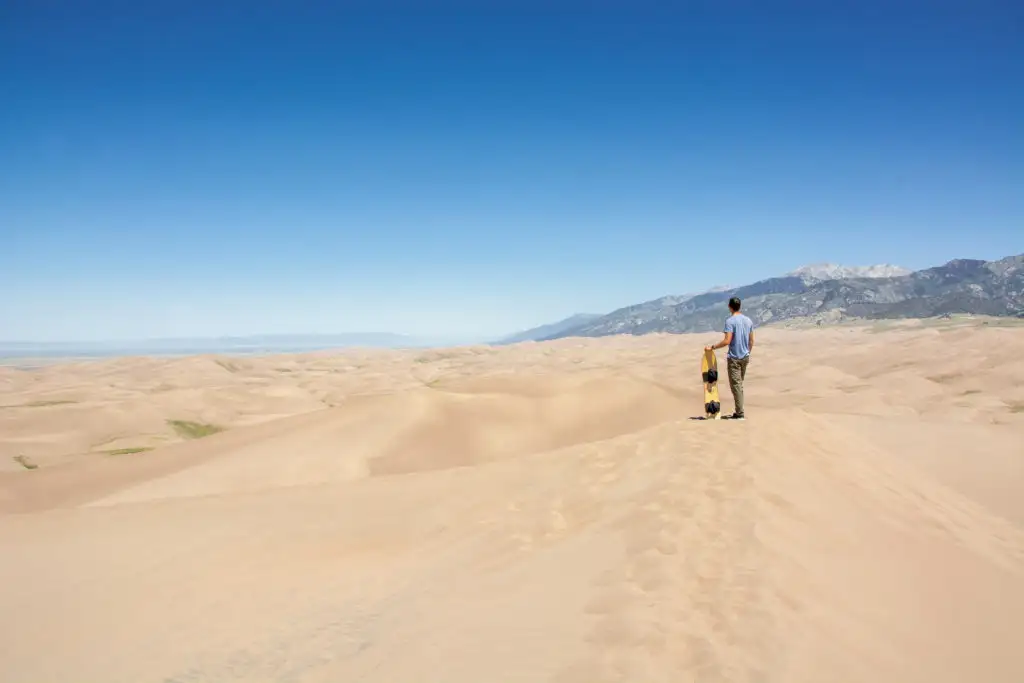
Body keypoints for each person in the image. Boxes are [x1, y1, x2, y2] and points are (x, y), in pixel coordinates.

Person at [704, 296, 754, 419]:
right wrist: (747, 352)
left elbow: (727, 341)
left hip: (734, 359)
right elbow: (751, 340)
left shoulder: (730, 321)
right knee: (739, 385)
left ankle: (740, 413)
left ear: (729, 307)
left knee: (736, 386)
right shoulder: (748, 320)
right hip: (745, 357)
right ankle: (739, 410)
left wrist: (713, 347)